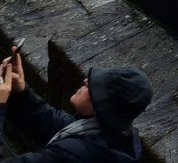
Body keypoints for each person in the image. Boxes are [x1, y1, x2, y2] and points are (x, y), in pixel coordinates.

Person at [0, 45, 152, 162]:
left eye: (94, 86)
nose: (86, 80)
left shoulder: (74, 154)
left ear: (101, 106)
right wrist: (20, 91)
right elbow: (51, 122)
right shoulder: (111, 133)